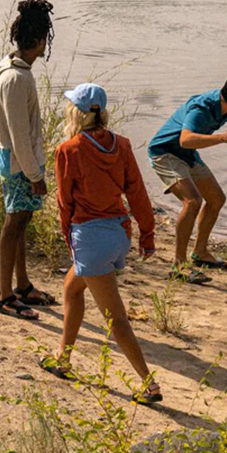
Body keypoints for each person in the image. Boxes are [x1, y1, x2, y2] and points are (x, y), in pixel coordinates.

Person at [41, 82, 162, 405]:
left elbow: (65, 202)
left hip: (90, 238)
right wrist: (147, 234)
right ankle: (62, 359)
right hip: (119, 234)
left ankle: (149, 385)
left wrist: (69, 239)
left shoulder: (70, 150)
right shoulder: (121, 145)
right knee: (71, 288)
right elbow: (136, 192)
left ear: (75, 113)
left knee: (116, 318)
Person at [148, 72, 227, 283]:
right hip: (165, 154)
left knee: (217, 199)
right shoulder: (201, 109)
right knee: (192, 201)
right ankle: (179, 265)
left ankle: (200, 253)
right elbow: (185, 139)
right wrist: (221, 138)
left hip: (188, 155)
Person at [0, 0, 56, 320]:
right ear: (41, 40)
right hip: (19, 163)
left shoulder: (13, 68)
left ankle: (22, 286)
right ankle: (4, 296)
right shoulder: (16, 79)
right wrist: (35, 175)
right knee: (14, 222)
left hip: (16, 160)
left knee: (21, 221)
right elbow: (19, 136)